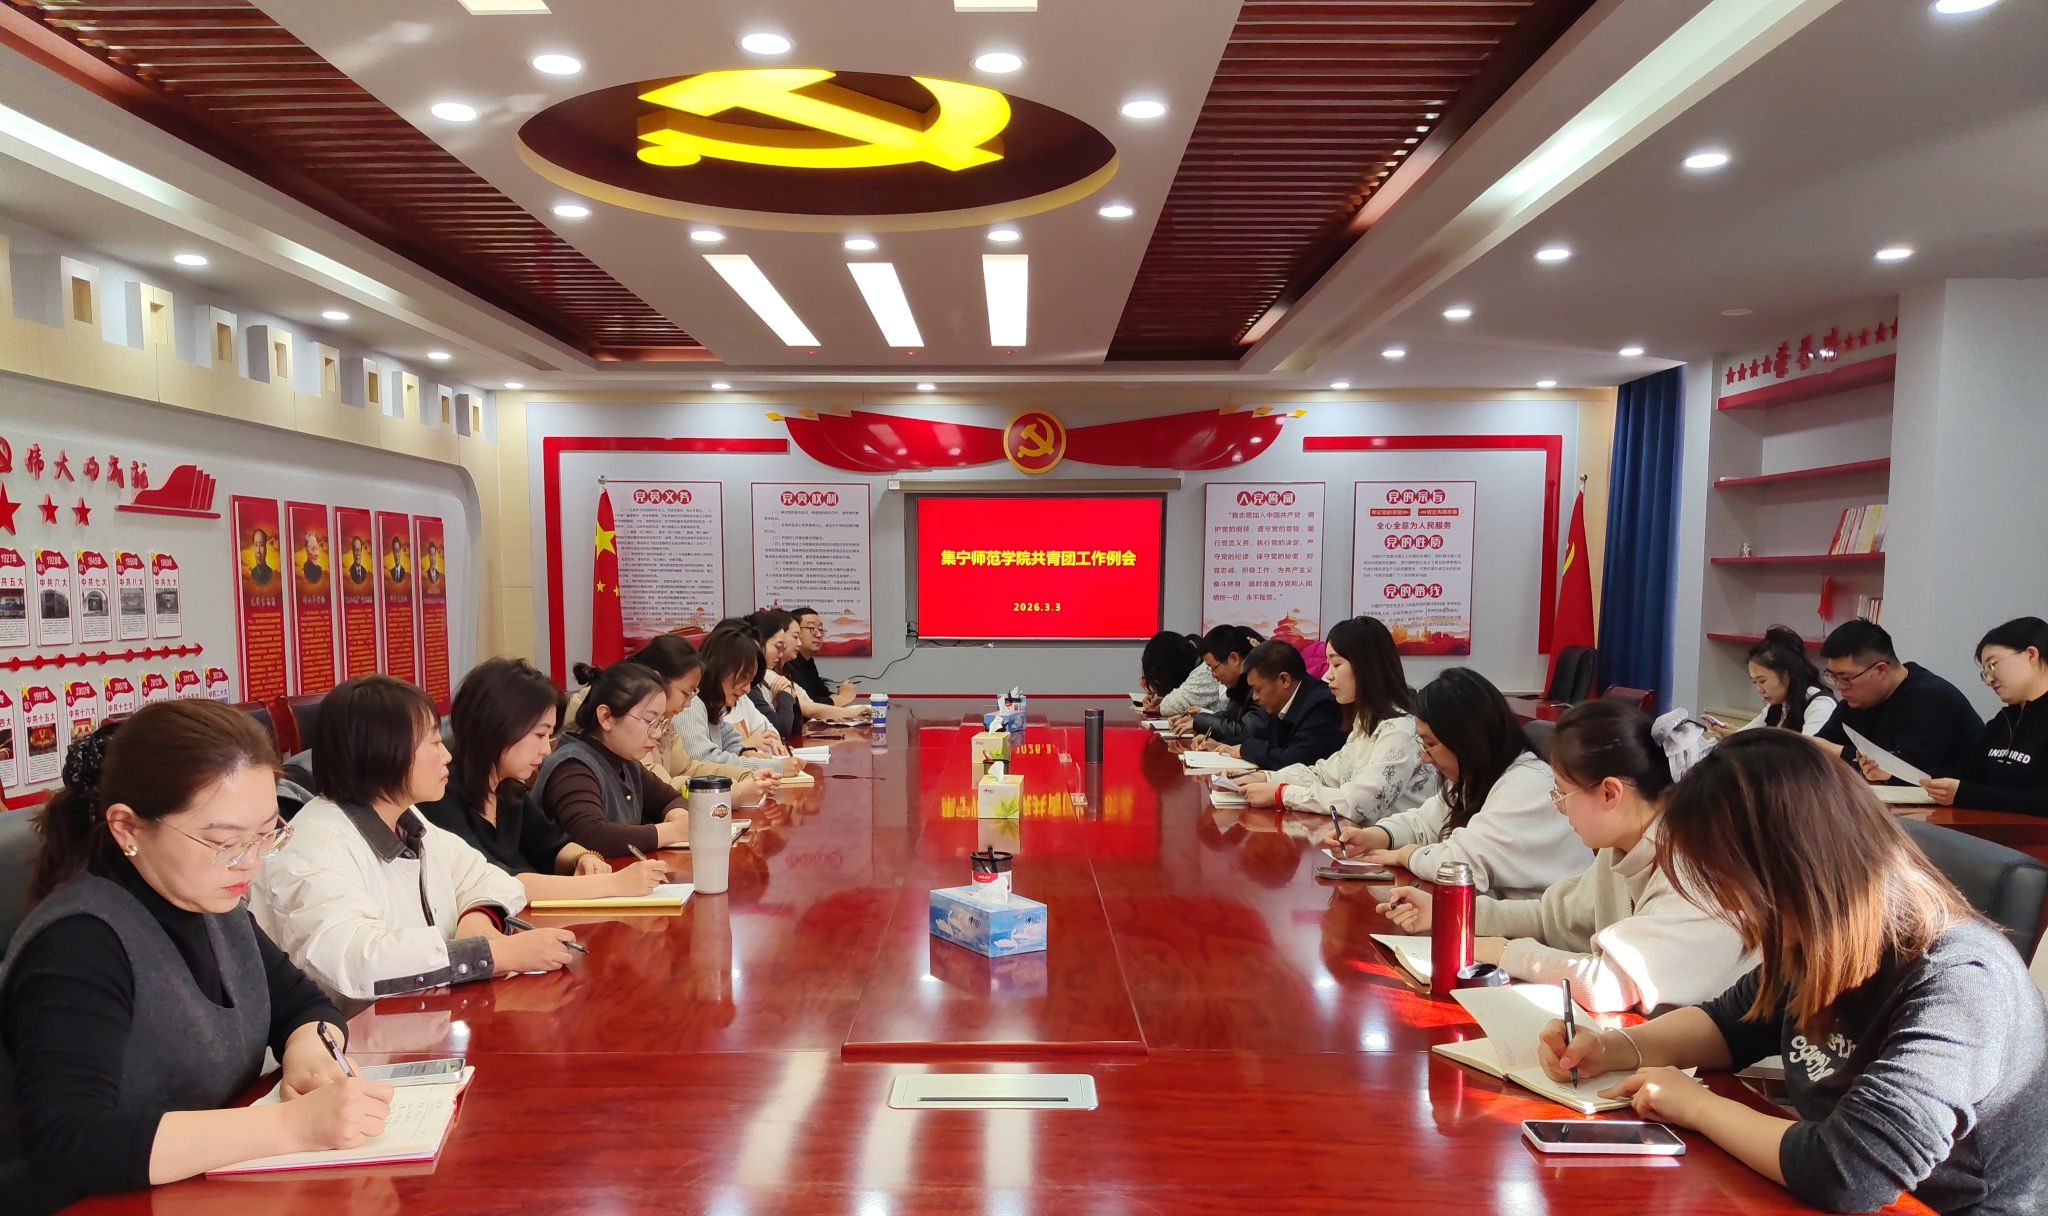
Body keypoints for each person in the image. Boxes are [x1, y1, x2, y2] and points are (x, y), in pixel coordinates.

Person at [1537, 732, 2048, 1215]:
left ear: (1794, 868)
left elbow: (1851, 1172)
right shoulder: (1819, 937)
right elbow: (1731, 1023)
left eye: (1727, 884)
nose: (1729, 908)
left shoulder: (1959, 980)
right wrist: (1612, 1048)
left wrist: (1694, 1105)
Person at [0, 704, 393, 1212]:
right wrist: (290, 1126)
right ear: (127, 828)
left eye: (266, 833)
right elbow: (71, 1141)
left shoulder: (211, 900)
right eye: (224, 842)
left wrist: (313, 1056)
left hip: (200, 1191)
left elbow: (303, 1006)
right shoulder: (77, 944)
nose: (251, 862)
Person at [1378, 700, 1747, 1012]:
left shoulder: (1695, 868)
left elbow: (1609, 984)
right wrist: (1451, 915)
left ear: (1610, 793)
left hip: (1728, 1068)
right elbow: (1552, 918)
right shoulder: (1622, 847)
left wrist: (1500, 952)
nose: (1557, 807)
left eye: (1561, 793)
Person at [250, 676, 575, 1001]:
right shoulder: (316, 846)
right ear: (383, 750)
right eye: (433, 743)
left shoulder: (406, 820)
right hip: (361, 1028)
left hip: (427, 1014)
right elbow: (358, 960)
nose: (447, 756)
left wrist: (476, 918)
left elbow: (485, 876)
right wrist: (492, 955)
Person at [1323, 668, 1590, 898]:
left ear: (1465, 739)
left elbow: (1460, 865)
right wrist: (1374, 837)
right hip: (1498, 920)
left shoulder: (1527, 784)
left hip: (1541, 933)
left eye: (1430, 745)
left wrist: (1406, 855)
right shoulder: (1477, 776)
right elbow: (1424, 822)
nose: (1424, 758)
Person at [420, 657, 669, 899]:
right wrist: (612, 883)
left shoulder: (508, 790)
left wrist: (583, 858)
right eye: (540, 735)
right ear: (497, 726)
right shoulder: (440, 796)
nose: (546, 750)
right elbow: (493, 881)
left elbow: (551, 844)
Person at [1232, 616, 1437, 822]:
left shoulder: (1399, 730)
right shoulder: (1364, 724)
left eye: (1337, 664)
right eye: (1328, 664)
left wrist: (1282, 793)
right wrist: (1266, 777)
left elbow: (1359, 803)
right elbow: (1324, 775)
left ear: (1367, 666)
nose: (1328, 675)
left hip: (1390, 841)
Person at [566, 637, 773, 801]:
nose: (689, 704)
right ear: (658, 680)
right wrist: (734, 790)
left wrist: (744, 774)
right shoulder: (628, 716)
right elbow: (661, 788)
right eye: (686, 693)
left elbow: (687, 768)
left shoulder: (663, 718)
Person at [534, 663, 698, 855]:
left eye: (660, 723)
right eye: (649, 721)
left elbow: (671, 799)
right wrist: (672, 831)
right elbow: (591, 835)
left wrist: (678, 817)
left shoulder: (626, 763)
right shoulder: (572, 766)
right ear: (606, 717)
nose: (657, 734)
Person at [1814, 619, 1982, 783]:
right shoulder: (1856, 701)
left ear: (1880, 670)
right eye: (1832, 676)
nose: (1839, 686)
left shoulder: (1931, 698)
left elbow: (1908, 773)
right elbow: (1818, 749)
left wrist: (1839, 752)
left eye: (1845, 678)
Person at [1921, 617, 2048, 815]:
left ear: (2031, 654)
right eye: (1985, 672)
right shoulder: (2004, 720)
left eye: (1992, 665)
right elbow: (1966, 772)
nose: (1989, 679)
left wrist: (1966, 794)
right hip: (1989, 829)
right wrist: (1897, 773)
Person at [1202, 640, 1345, 771]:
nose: (1254, 697)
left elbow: (1298, 760)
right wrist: (1224, 745)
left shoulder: (1321, 705)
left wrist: (1244, 750)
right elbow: (1259, 735)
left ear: (1284, 680)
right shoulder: (1280, 701)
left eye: (1258, 689)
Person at [677, 629, 805, 775]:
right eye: (744, 677)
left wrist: (746, 752)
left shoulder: (712, 706)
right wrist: (775, 767)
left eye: (751, 681)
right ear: (720, 667)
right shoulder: (690, 704)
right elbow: (706, 761)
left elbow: (731, 743)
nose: (747, 689)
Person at [752, 609, 866, 726]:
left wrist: (832, 713)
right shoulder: (766, 675)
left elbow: (810, 704)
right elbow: (806, 711)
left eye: (821, 629)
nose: (799, 643)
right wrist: (846, 703)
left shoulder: (792, 668)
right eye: (795, 636)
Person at [1717, 625, 1835, 736]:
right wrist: (1732, 735)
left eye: (1762, 681)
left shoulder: (1821, 705)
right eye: (1754, 682)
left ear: (1786, 676)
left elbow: (1806, 749)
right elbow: (1747, 733)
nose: (1759, 690)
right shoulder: (1778, 704)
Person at [1184, 625, 1265, 745]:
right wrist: (1197, 720)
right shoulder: (1239, 685)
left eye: (1213, 667)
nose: (1213, 675)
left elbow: (1246, 732)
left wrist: (1199, 723)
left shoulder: (1259, 685)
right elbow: (1230, 717)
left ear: (1234, 658)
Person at [786, 607, 857, 707]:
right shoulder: (789, 662)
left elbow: (822, 694)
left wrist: (840, 694)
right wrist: (843, 697)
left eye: (820, 629)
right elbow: (808, 704)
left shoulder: (808, 661)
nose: (819, 634)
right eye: (811, 628)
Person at [1142, 631, 1223, 718]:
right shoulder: (1198, 665)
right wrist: (1160, 698)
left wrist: (1162, 702)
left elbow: (1170, 707)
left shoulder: (1206, 670)